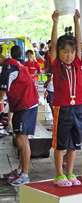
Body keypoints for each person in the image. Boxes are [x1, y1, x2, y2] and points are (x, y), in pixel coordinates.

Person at [50, 9, 82, 187]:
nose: (69, 55)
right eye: (65, 52)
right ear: (59, 52)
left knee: (74, 144)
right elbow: (54, 44)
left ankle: (70, 173)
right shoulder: (56, 64)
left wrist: (77, 21)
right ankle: (59, 175)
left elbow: (78, 43)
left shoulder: (78, 63)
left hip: (78, 106)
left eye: (71, 52)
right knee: (61, 144)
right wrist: (55, 22)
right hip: (62, 107)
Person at [0, 46, 39, 186]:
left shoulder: (8, 69)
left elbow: (1, 92)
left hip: (26, 105)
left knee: (22, 141)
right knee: (20, 139)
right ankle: (20, 170)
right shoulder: (11, 64)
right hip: (23, 105)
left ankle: (25, 175)